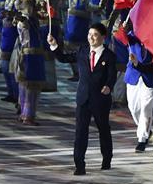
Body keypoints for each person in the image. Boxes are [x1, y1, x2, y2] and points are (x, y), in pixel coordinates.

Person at [49, 23, 117, 175]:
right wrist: (54, 46)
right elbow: (64, 58)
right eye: (89, 34)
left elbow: (112, 75)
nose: (91, 38)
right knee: (80, 132)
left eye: (94, 35)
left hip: (100, 98)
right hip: (83, 98)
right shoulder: (82, 51)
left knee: (103, 129)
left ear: (103, 38)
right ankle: (79, 164)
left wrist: (108, 86)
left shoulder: (109, 56)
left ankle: (107, 159)